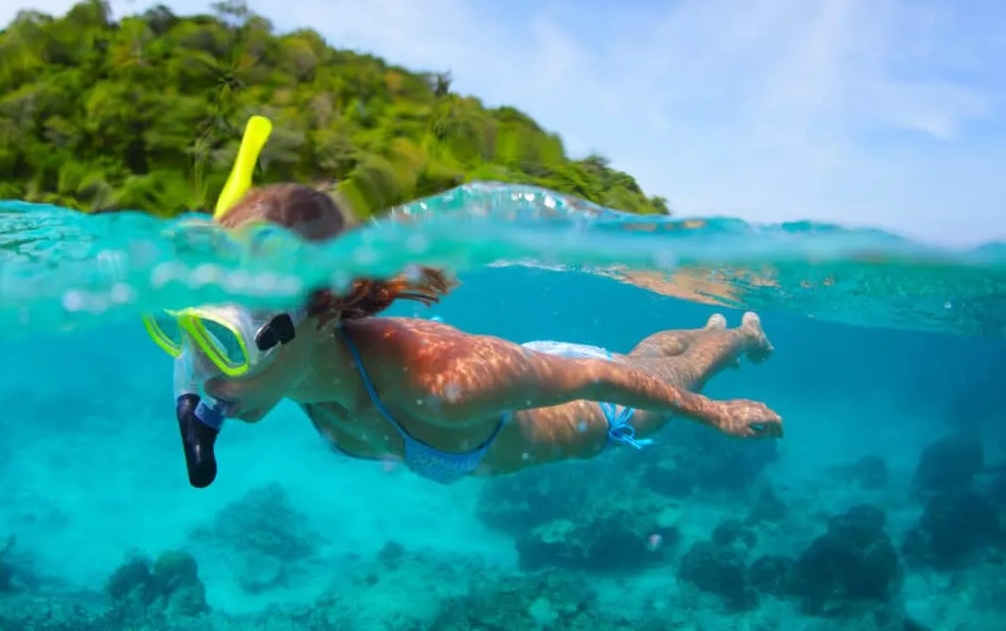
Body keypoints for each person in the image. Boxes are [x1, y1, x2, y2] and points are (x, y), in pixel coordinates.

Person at [146, 182, 783, 489]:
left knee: (667, 378)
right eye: (185, 334)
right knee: (645, 354)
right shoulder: (288, 365)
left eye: (225, 342)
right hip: (524, 387)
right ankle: (712, 322)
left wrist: (715, 414)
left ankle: (735, 338)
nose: (201, 374)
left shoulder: (440, 385)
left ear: (317, 317)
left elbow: (595, 377)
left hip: (591, 409)